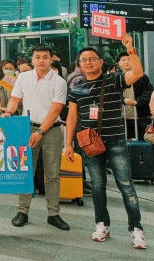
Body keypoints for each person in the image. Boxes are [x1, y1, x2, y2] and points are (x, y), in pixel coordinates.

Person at [65, 37, 146, 249]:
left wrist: (130, 50)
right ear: (79, 64)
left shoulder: (114, 80)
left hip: (116, 141)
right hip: (90, 144)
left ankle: (136, 229)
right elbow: (72, 117)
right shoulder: (76, 88)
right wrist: (69, 144)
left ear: (101, 62)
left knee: (126, 186)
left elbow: (137, 74)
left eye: (93, 59)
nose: (88, 62)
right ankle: (102, 224)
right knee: (98, 186)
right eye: (84, 60)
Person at [2, 45, 69, 231]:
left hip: (51, 131)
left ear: (51, 60)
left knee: (53, 174)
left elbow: (56, 109)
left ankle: (53, 214)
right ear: (32, 60)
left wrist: (40, 132)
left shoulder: (59, 82)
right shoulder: (23, 77)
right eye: (37, 57)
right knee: (25, 172)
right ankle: (22, 211)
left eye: (45, 57)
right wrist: (8, 112)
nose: (41, 60)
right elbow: (15, 100)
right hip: (27, 128)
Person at [116, 51, 152, 140]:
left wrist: (137, 101)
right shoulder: (116, 78)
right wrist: (123, 100)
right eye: (123, 60)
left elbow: (148, 93)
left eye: (129, 59)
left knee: (144, 141)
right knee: (125, 143)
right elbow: (113, 95)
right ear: (119, 63)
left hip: (141, 116)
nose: (126, 62)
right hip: (122, 117)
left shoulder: (143, 77)